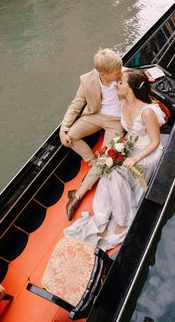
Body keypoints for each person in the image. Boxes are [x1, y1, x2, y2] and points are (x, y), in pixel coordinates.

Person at [64, 69, 166, 250]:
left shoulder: (147, 112)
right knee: (108, 166)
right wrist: (118, 148)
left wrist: (134, 158)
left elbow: (155, 142)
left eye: (120, 83)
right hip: (132, 145)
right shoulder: (123, 104)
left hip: (147, 152)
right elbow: (129, 134)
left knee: (117, 171)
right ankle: (103, 217)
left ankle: (122, 221)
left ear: (131, 89)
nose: (116, 85)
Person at [59, 48, 124, 221]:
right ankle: (92, 162)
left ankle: (77, 195)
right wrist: (63, 129)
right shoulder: (87, 80)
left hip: (116, 121)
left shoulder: (124, 75)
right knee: (69, 138)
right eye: (117, 72)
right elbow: (75, 105)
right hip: (95, 115)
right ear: (103, 73)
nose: (121, 73)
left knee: (108, 158)